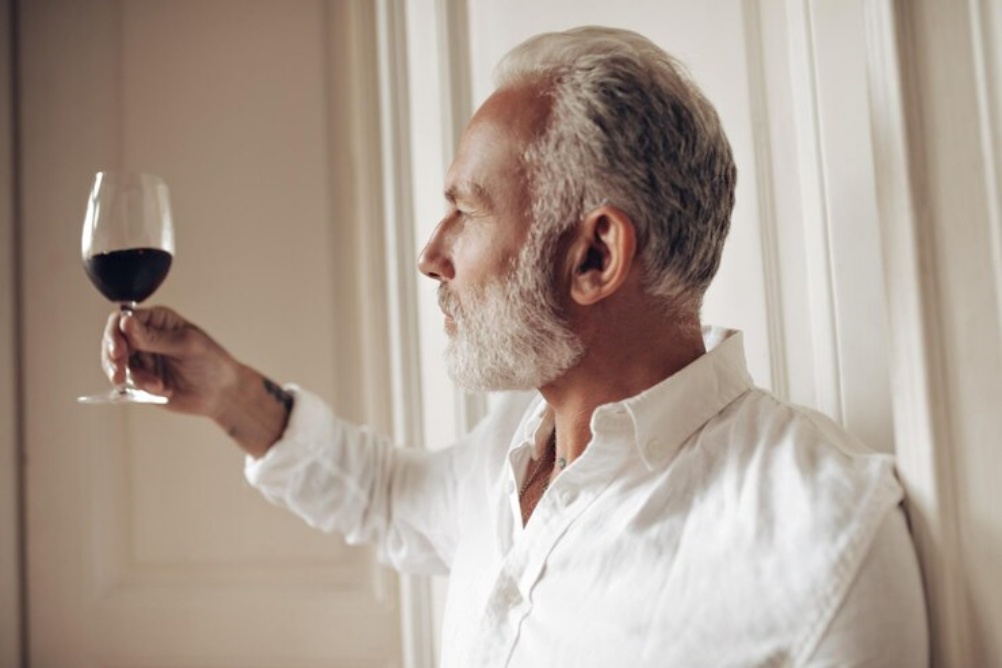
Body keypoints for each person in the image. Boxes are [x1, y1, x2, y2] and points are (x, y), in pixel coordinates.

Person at [101, 26, 928, 667]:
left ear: (594, 256)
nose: (432, 253)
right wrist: (226, 392)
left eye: (468, 209)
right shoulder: (509, 449)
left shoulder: (823, 535)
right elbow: (386, 495)